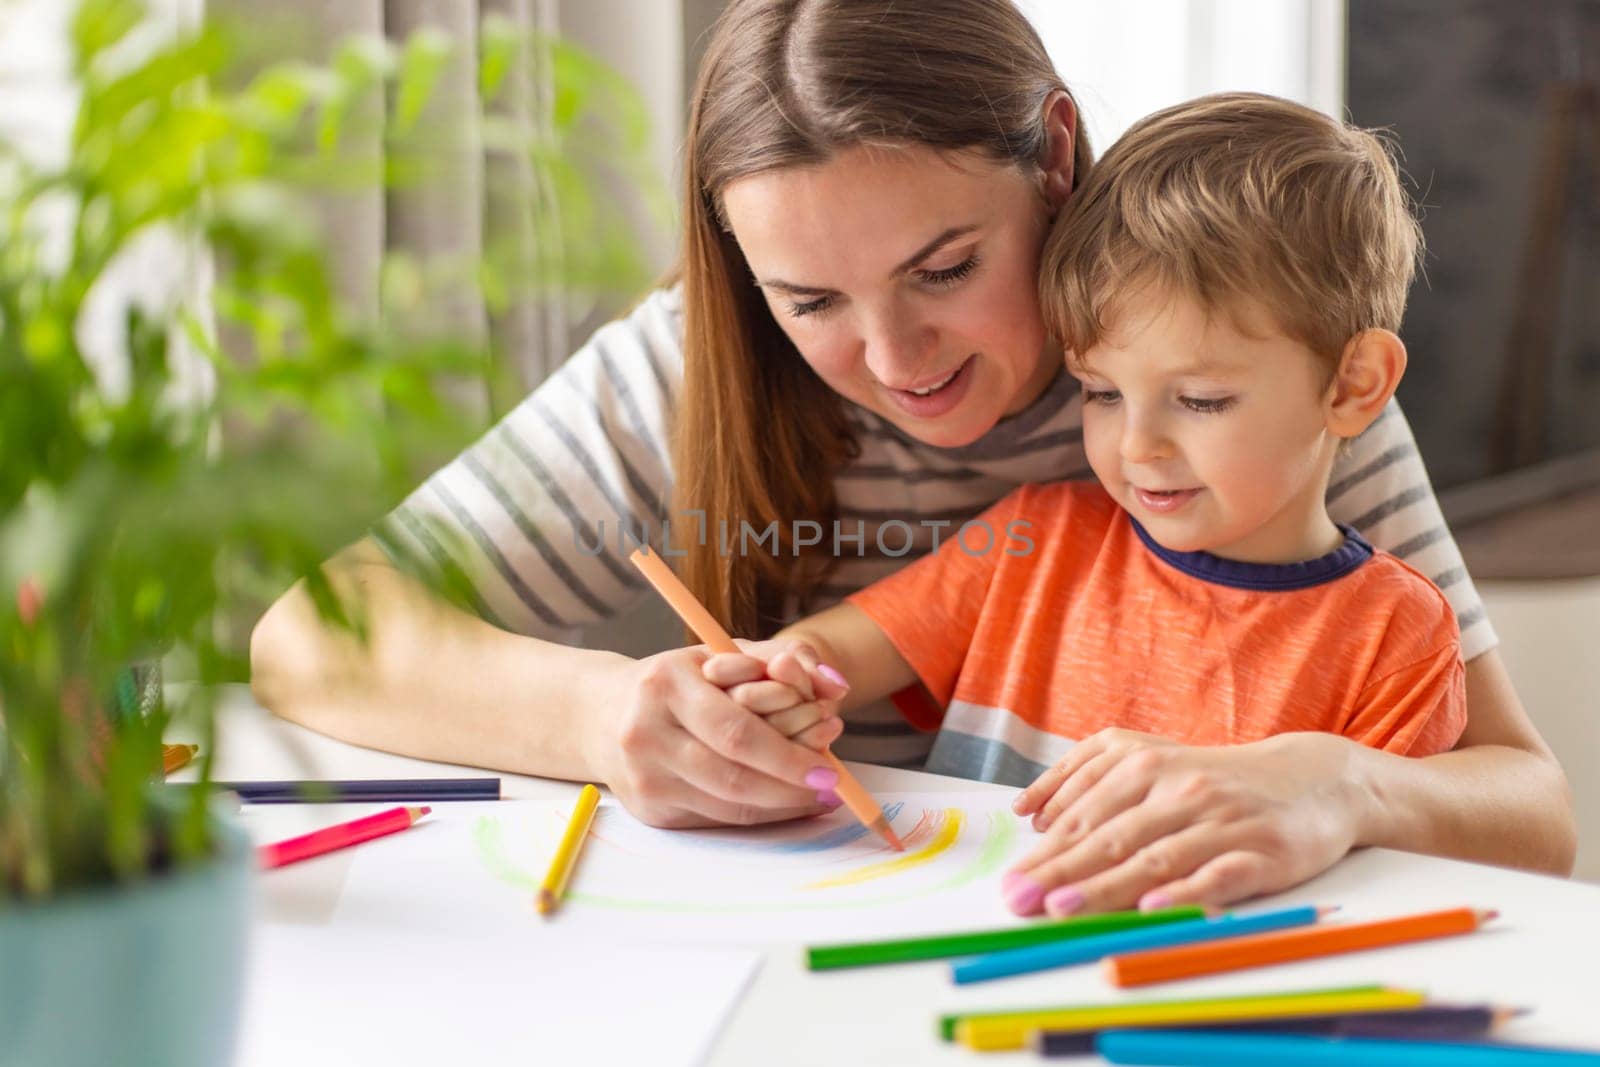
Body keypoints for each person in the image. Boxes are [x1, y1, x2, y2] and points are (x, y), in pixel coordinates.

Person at [249, 0, 1575, 909]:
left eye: (944, 267)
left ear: (1053, 157)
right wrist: (604, 714)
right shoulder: (691, 364)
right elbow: (310, 632)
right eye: (809, 300)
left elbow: (1528, 801)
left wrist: (1341, 781)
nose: (896, 359)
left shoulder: (1242, 361)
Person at [703, 93, 1472, 916]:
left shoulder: (1398, 633)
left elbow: (1419, 870)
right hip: (955, 935)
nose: (1138, 446)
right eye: (1100, 391)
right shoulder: (1034, 537)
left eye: (1203, 400)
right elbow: (830, 652)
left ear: (1354, 386)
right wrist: (787, 678)